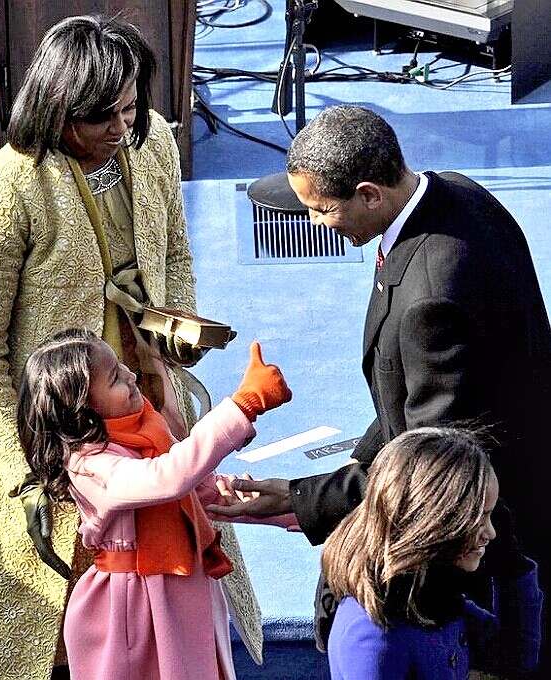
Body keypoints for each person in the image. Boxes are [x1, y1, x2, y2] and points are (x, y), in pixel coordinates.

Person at [0, 14, 262, 680]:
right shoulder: (6, 188)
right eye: (106, 118)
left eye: (132, 108)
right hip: (55, 441)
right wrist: (26, 473)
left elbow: (175, 251)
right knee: (53, 626)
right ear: (61, 111)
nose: (124, 128)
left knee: (159, 582)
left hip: (144, 405)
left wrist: (174, 339)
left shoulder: (150, 146)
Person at [207, 105, 551, 674]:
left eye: (321, 210)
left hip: (488, 538)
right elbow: (406, 402)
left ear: (369, 194)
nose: (315, 223)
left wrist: (301, 500)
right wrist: (310, 489)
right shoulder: (456, 196)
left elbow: (428, 462)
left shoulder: (433, 295)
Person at [16, 329, 292, 680]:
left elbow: (205, 493)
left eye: (121, 366)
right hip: (131, 617)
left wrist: (301, 507)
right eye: (115, 377)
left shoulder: (147, 431)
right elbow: (169, 478)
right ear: (82, 411)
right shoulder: (89, 466)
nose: (130, 375)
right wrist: (244, 405)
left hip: (180, 597)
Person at [321, 426, 542, 679]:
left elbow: (515, 656)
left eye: (491, 515)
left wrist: (511, 566)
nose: (491, 533)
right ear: (432, 522)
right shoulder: (375, 637)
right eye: (478, 518)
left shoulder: (429, 596)